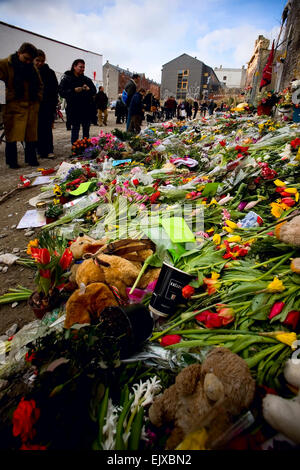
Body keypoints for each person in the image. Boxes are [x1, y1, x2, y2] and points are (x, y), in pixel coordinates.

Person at [0, 42, 43, 168]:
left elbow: (40, 85)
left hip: (31, 106)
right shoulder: (4, 64)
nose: (28, 62)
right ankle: (12, 161)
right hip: (13, 106)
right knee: (12, 136)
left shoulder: (32, 68)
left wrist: (37, 99)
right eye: (26, 58)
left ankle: (31, 159)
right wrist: (9, 98)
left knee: (31, 135)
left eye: (31, 60)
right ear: (19, 53)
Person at [59, 59, 96, 144]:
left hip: (86, 108)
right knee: (75, 129)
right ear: (74, 67)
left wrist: (88, 89)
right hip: (74, 109)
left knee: (86, 130)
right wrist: (73, 90)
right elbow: (61, 92)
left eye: (83, 67)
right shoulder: (67, 78)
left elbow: (94, 91)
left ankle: (86, 148)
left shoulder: (86, 79)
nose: (82, 69)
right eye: (80, 67)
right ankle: (75, 148)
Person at [33, 49, 58, 159]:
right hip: (33, 105)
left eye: (42, 61)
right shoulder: (29, 71)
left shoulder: (50, 72)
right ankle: (38, 150)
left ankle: (49, 150)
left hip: (47, 104)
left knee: (47, 128)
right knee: (36, 129)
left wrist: (53, 105)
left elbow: (54, 89)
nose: (39, 63)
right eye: (37, 60)